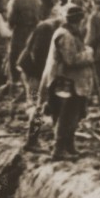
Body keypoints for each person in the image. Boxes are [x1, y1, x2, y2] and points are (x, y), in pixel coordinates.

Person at [38, 5, 94, 160]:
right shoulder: (66, 35)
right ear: (79, 20)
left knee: (72, 115)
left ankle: (69, 146)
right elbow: (71, 60)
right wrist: (89, 54)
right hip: (65, 82)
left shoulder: (71, 33)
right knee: (65, 116)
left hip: (70, 81)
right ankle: (58, 149)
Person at [20, 17, 61, 149]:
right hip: (34, 73)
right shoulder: (47, 29)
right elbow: (36, 53)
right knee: (37, 105)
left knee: (51, 105)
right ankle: (32, 140)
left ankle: (56, 139)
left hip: (40, 72)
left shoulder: (51, 27)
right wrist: (45, 75)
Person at [6, 0, 44, 86]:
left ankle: (16, 80)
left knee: (14, 54)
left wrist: (10, 28)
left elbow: (11, 19)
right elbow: (42, 14)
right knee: (32, 53)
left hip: (20, 30)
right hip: (35, 29)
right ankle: (32, 79)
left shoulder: (15, 0)